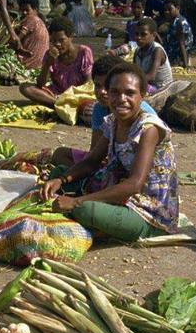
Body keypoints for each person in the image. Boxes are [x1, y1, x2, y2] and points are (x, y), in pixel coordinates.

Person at [41, 63, 179, 241]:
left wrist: (77, 201)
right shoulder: (112, 122)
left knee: (84, 210)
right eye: (115, 92)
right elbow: (92, 161)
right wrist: (61, 180)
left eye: (129, 93)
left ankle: (128, 226)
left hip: (149, 211)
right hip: (120, 190)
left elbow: (135, 184)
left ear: (142, 96)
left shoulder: (148, 129)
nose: (121, 99)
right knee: (59, 172)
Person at [52, 55, 157, 167]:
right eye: (97, 86)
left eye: (107, 86)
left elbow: (138, 172)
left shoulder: (145, 120)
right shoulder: (102, 111)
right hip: (109, 161)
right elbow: (95, 152)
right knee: (60, 154)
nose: (102, 91)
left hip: (136, 167)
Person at [19, 17, 93, 108]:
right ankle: (59, 104)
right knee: (25, 88)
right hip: (56, 95)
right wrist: (48, 63)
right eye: (53, 41)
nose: (57, 44)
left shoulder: (84, 52)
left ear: (70, 37)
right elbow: (41, 84)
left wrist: (75, 97)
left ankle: (64, 105)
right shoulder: (49, 54)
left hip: (78, 96)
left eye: (61, 40)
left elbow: (88, 83)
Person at [134, 18, 173, 94]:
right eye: (136, 34)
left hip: (163, 89)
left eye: (143, 34)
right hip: (148, 86)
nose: (138, 37)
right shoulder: (137, 51)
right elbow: (135, 72)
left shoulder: (157, 51)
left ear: (154, 35)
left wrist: (133, 80)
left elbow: (151, 76)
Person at [16, 0, 49, 69]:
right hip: (40, 66)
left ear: (35, 10)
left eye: (27, 10)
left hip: (27, 65)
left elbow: (15, 40)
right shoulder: (40, 22)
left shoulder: (32, 19)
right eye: (22, 10)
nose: (24, 13)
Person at [163, 0, 193, 67]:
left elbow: (181, 44)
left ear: (178, 8)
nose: (166, 12)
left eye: (170, 9)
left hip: (178, 58)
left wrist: (185, 65)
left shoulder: (180, 22)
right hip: (172, 54)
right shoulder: (173, 21)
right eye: (165, 10)